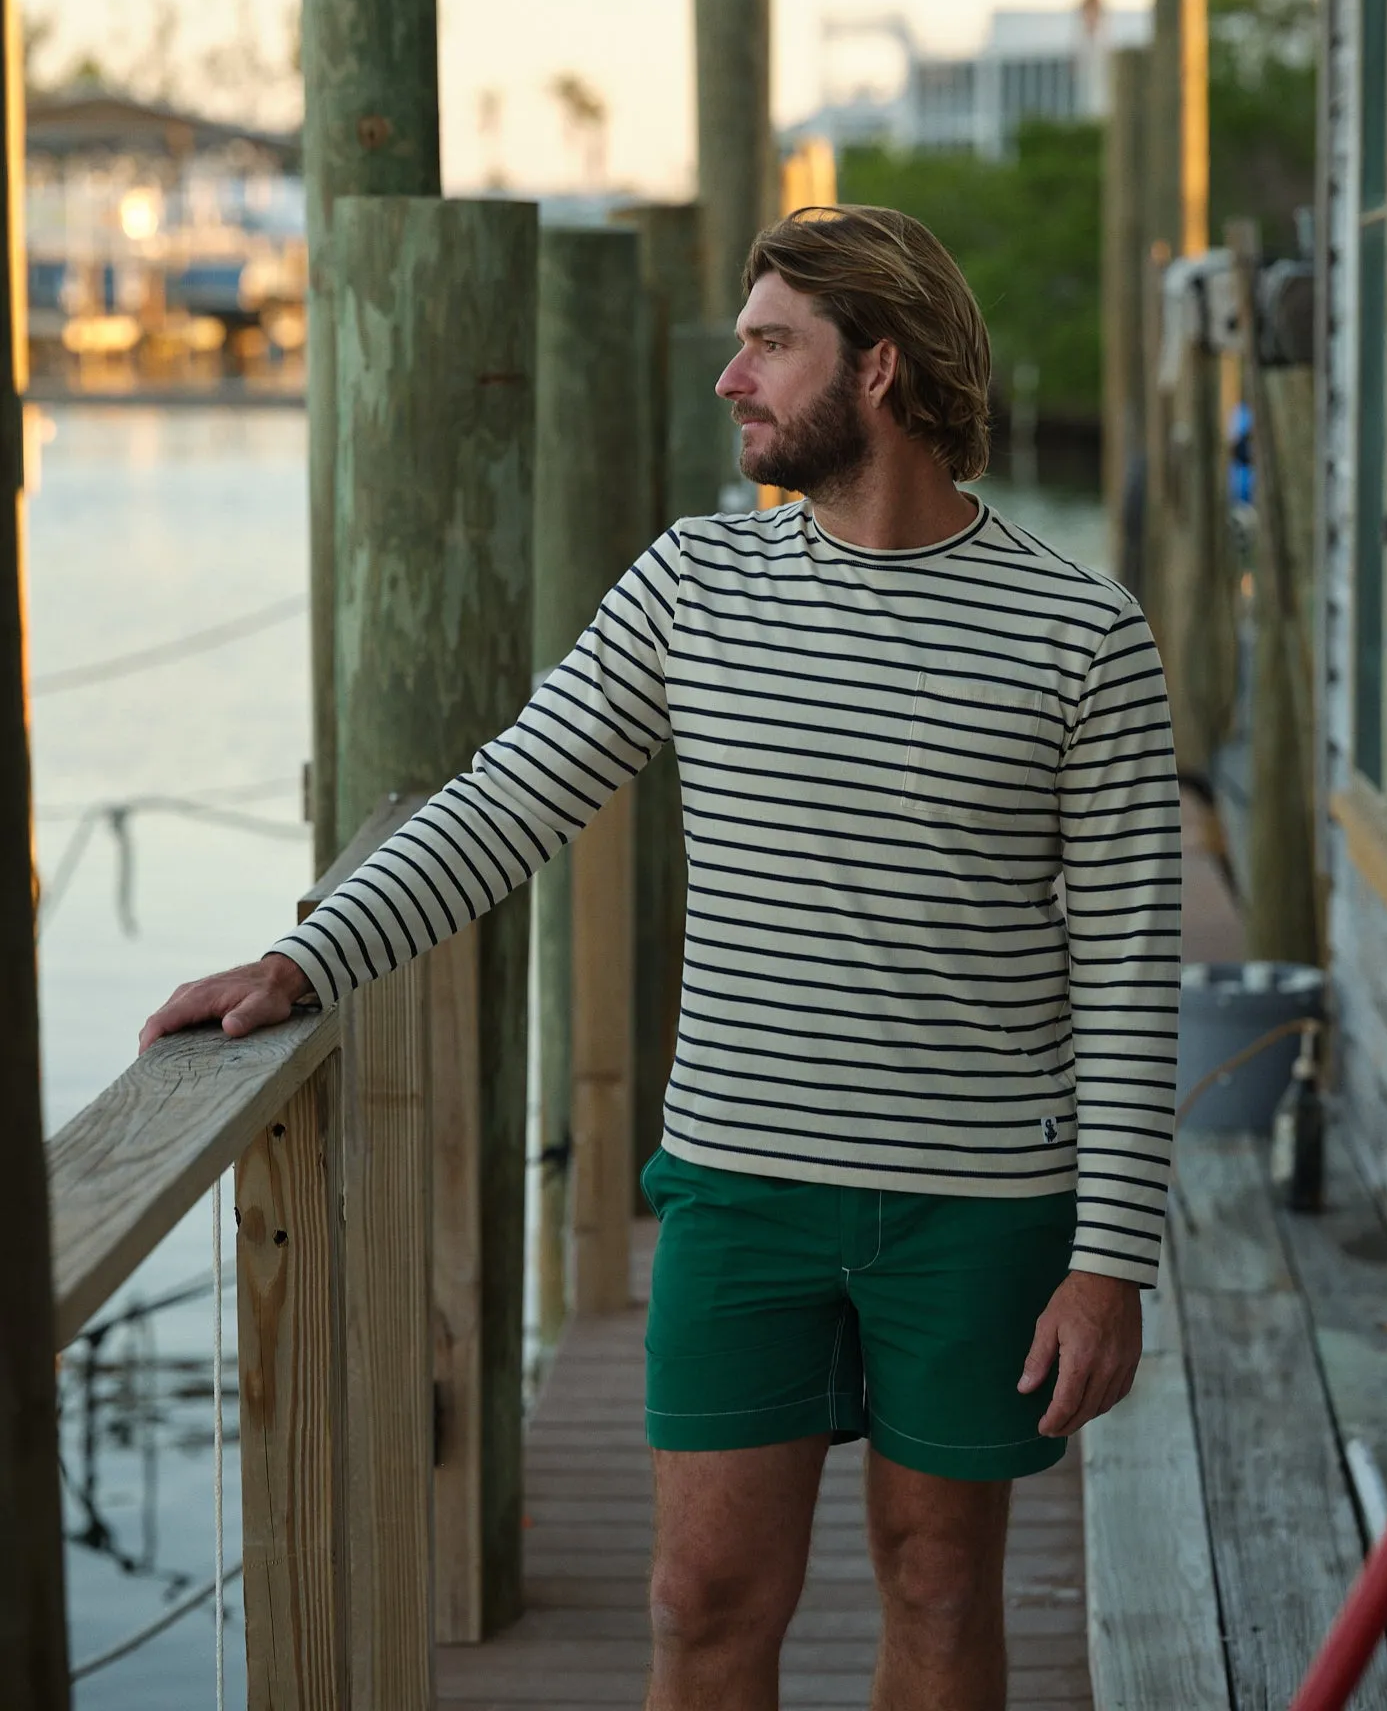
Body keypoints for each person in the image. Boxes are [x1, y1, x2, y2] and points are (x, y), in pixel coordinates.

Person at [142, 204, 1181, 1711]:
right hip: (739, 1190)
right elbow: (510, 800)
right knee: (700, 1604)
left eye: (770, 345)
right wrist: (308, 961)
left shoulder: (1080, 635)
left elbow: (1135, 965)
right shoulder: (696, 586)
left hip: (980, 1206)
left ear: (878, 370)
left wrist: (1109, 1264)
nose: (731, 379)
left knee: (942, 1591)